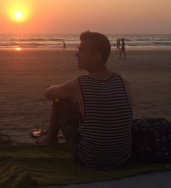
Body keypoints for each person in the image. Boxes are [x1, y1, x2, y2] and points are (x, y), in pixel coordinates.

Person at [37, 31, 133, 170]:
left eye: (81, 51)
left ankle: (50, 139)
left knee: (60, 100)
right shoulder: (123, 82)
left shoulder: (80, 85)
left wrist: (61, 91)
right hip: (123, 159)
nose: (76, 54)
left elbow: (48, 93)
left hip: (89, 160)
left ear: (96, 57)